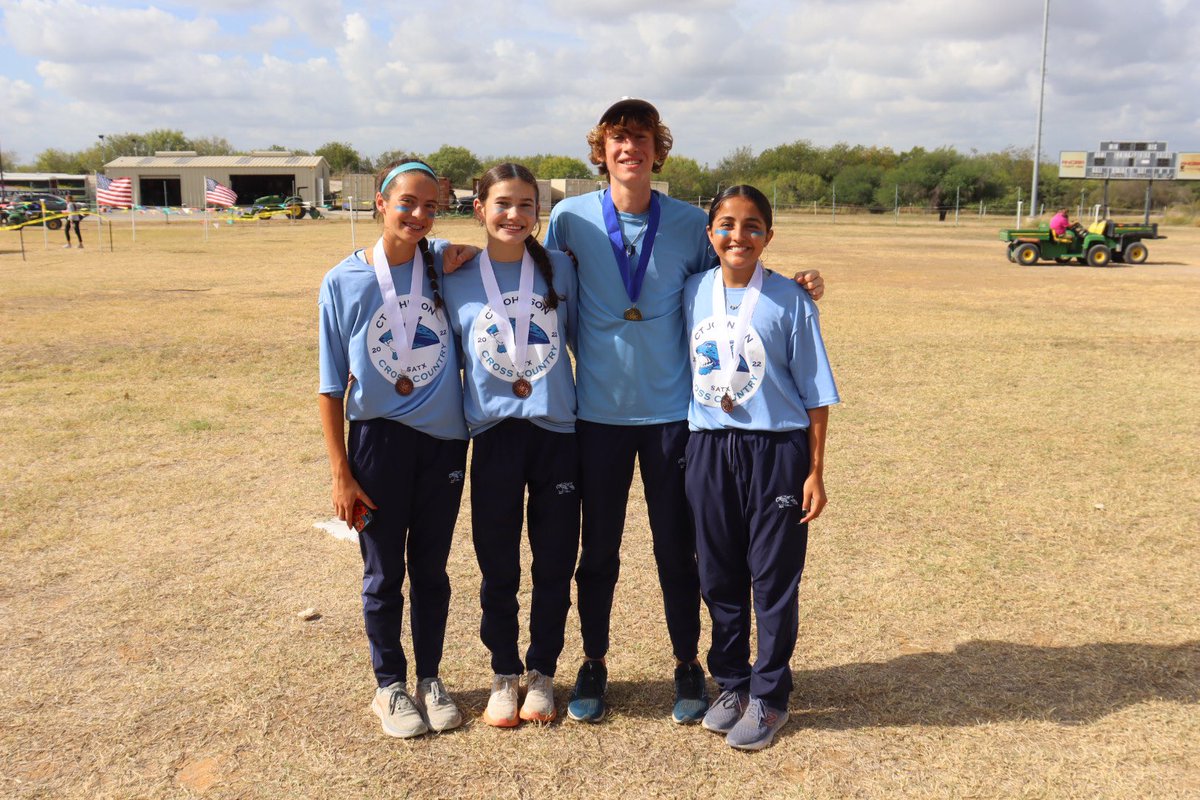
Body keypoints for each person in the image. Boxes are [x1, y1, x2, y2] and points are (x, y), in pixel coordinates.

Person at [542, 98, 825, 724]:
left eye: (641, 138)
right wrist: (449, 258)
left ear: (657, 149)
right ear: (601, 149)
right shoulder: (567, 218)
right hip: (597, 414)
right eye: (618, 139)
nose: (629, 149)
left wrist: (791, 281)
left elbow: (732, 283)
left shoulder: (689, 222)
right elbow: (533, 283)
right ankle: (593, 662)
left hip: (676, 418)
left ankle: (689, 668)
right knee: (600, 552)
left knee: (679, 551)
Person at [317, 159, 475, 739]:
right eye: (408, 202)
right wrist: (341, 472)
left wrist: (456, 247)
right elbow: (330, 386)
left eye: (432, 206)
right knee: (384, 574)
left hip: (444, 444)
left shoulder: (445, 266)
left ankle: (430, 678)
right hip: (378, 443)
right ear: (381, 203)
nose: (419, 214)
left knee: (431, 570)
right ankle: (389, 686)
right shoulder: (343, 280)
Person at [683, 185, 839, 750]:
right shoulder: (691, 293)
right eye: (726, 224)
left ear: (768, 236)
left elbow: (816, 392)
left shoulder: (792, 300)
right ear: (710, 235)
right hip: (708, 448)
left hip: (775, 451)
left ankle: (771, 696)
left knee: (772, 580)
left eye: (753, 226)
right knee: (718, 575)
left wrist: (815, 470)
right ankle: (731, 682)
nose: (738, 235)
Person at [442, 163, 580, 727]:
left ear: (539, 212)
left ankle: (542, 672)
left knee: (553, 562)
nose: (514, 215)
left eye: (526, 204)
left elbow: (590, 339)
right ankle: (504, 670)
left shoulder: (563, 269)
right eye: (502, 204)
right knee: (497, 562)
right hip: (493, 435)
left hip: (556, 435)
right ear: (479, 209)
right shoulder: (453, 273)